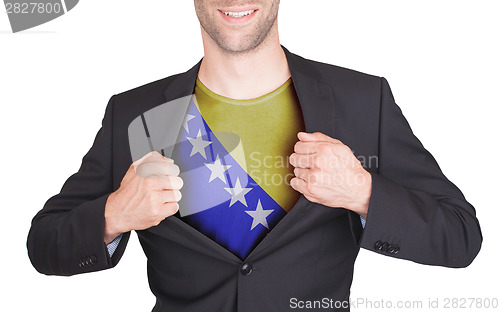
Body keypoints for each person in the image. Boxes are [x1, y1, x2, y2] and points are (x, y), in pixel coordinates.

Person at [27, 1, 482, 311]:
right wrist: (114, 214)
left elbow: (460, 236)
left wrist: (363, 192)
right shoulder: (137, 114)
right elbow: (44, 245)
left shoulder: (362, 101)